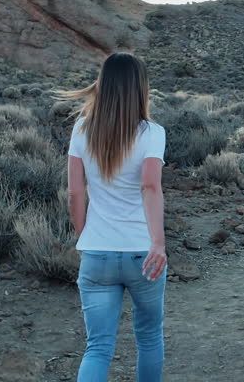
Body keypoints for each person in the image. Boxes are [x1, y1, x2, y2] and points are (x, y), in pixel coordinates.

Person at [60, 53, 167, 382]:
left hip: (97, 253)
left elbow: (75, 192)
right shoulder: (152, 133)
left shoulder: (81, 130)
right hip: (142, 253)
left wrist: (84, 235)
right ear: (140, 89)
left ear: (102, 85)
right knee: (148, 338)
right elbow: (150, 187)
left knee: (98, 347)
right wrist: (158, 243)